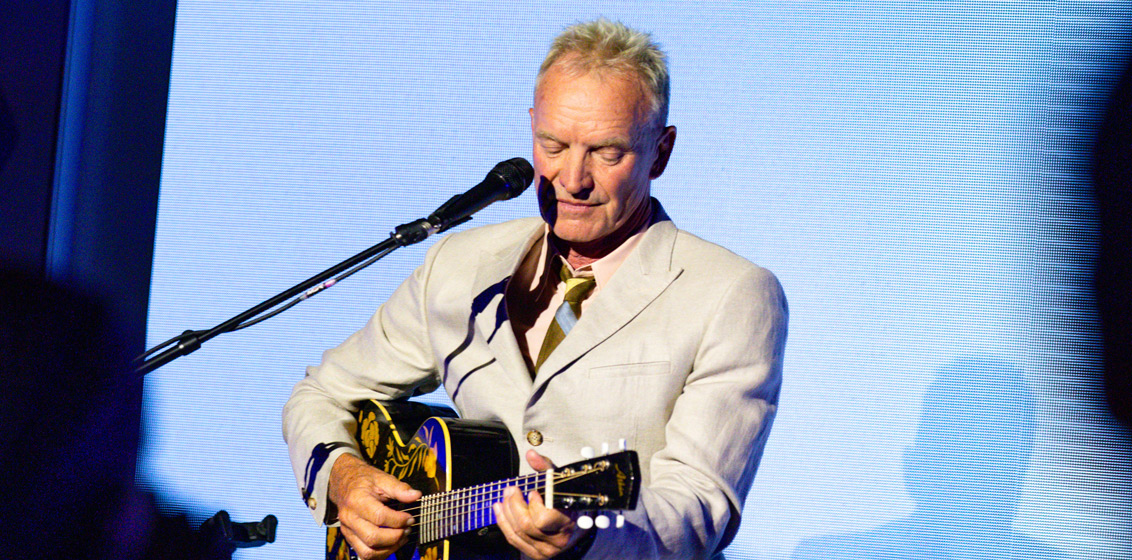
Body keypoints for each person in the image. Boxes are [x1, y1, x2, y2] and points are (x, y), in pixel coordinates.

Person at [283, 19, 787, 560]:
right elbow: (320, 395)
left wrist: (586, 537)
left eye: (607, 152)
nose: (572, 179)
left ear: (660, 152)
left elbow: (696, 508)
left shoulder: (732, 295)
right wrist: (344, 477)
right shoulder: (459, 266)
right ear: (531, 129)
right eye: (553, 145)